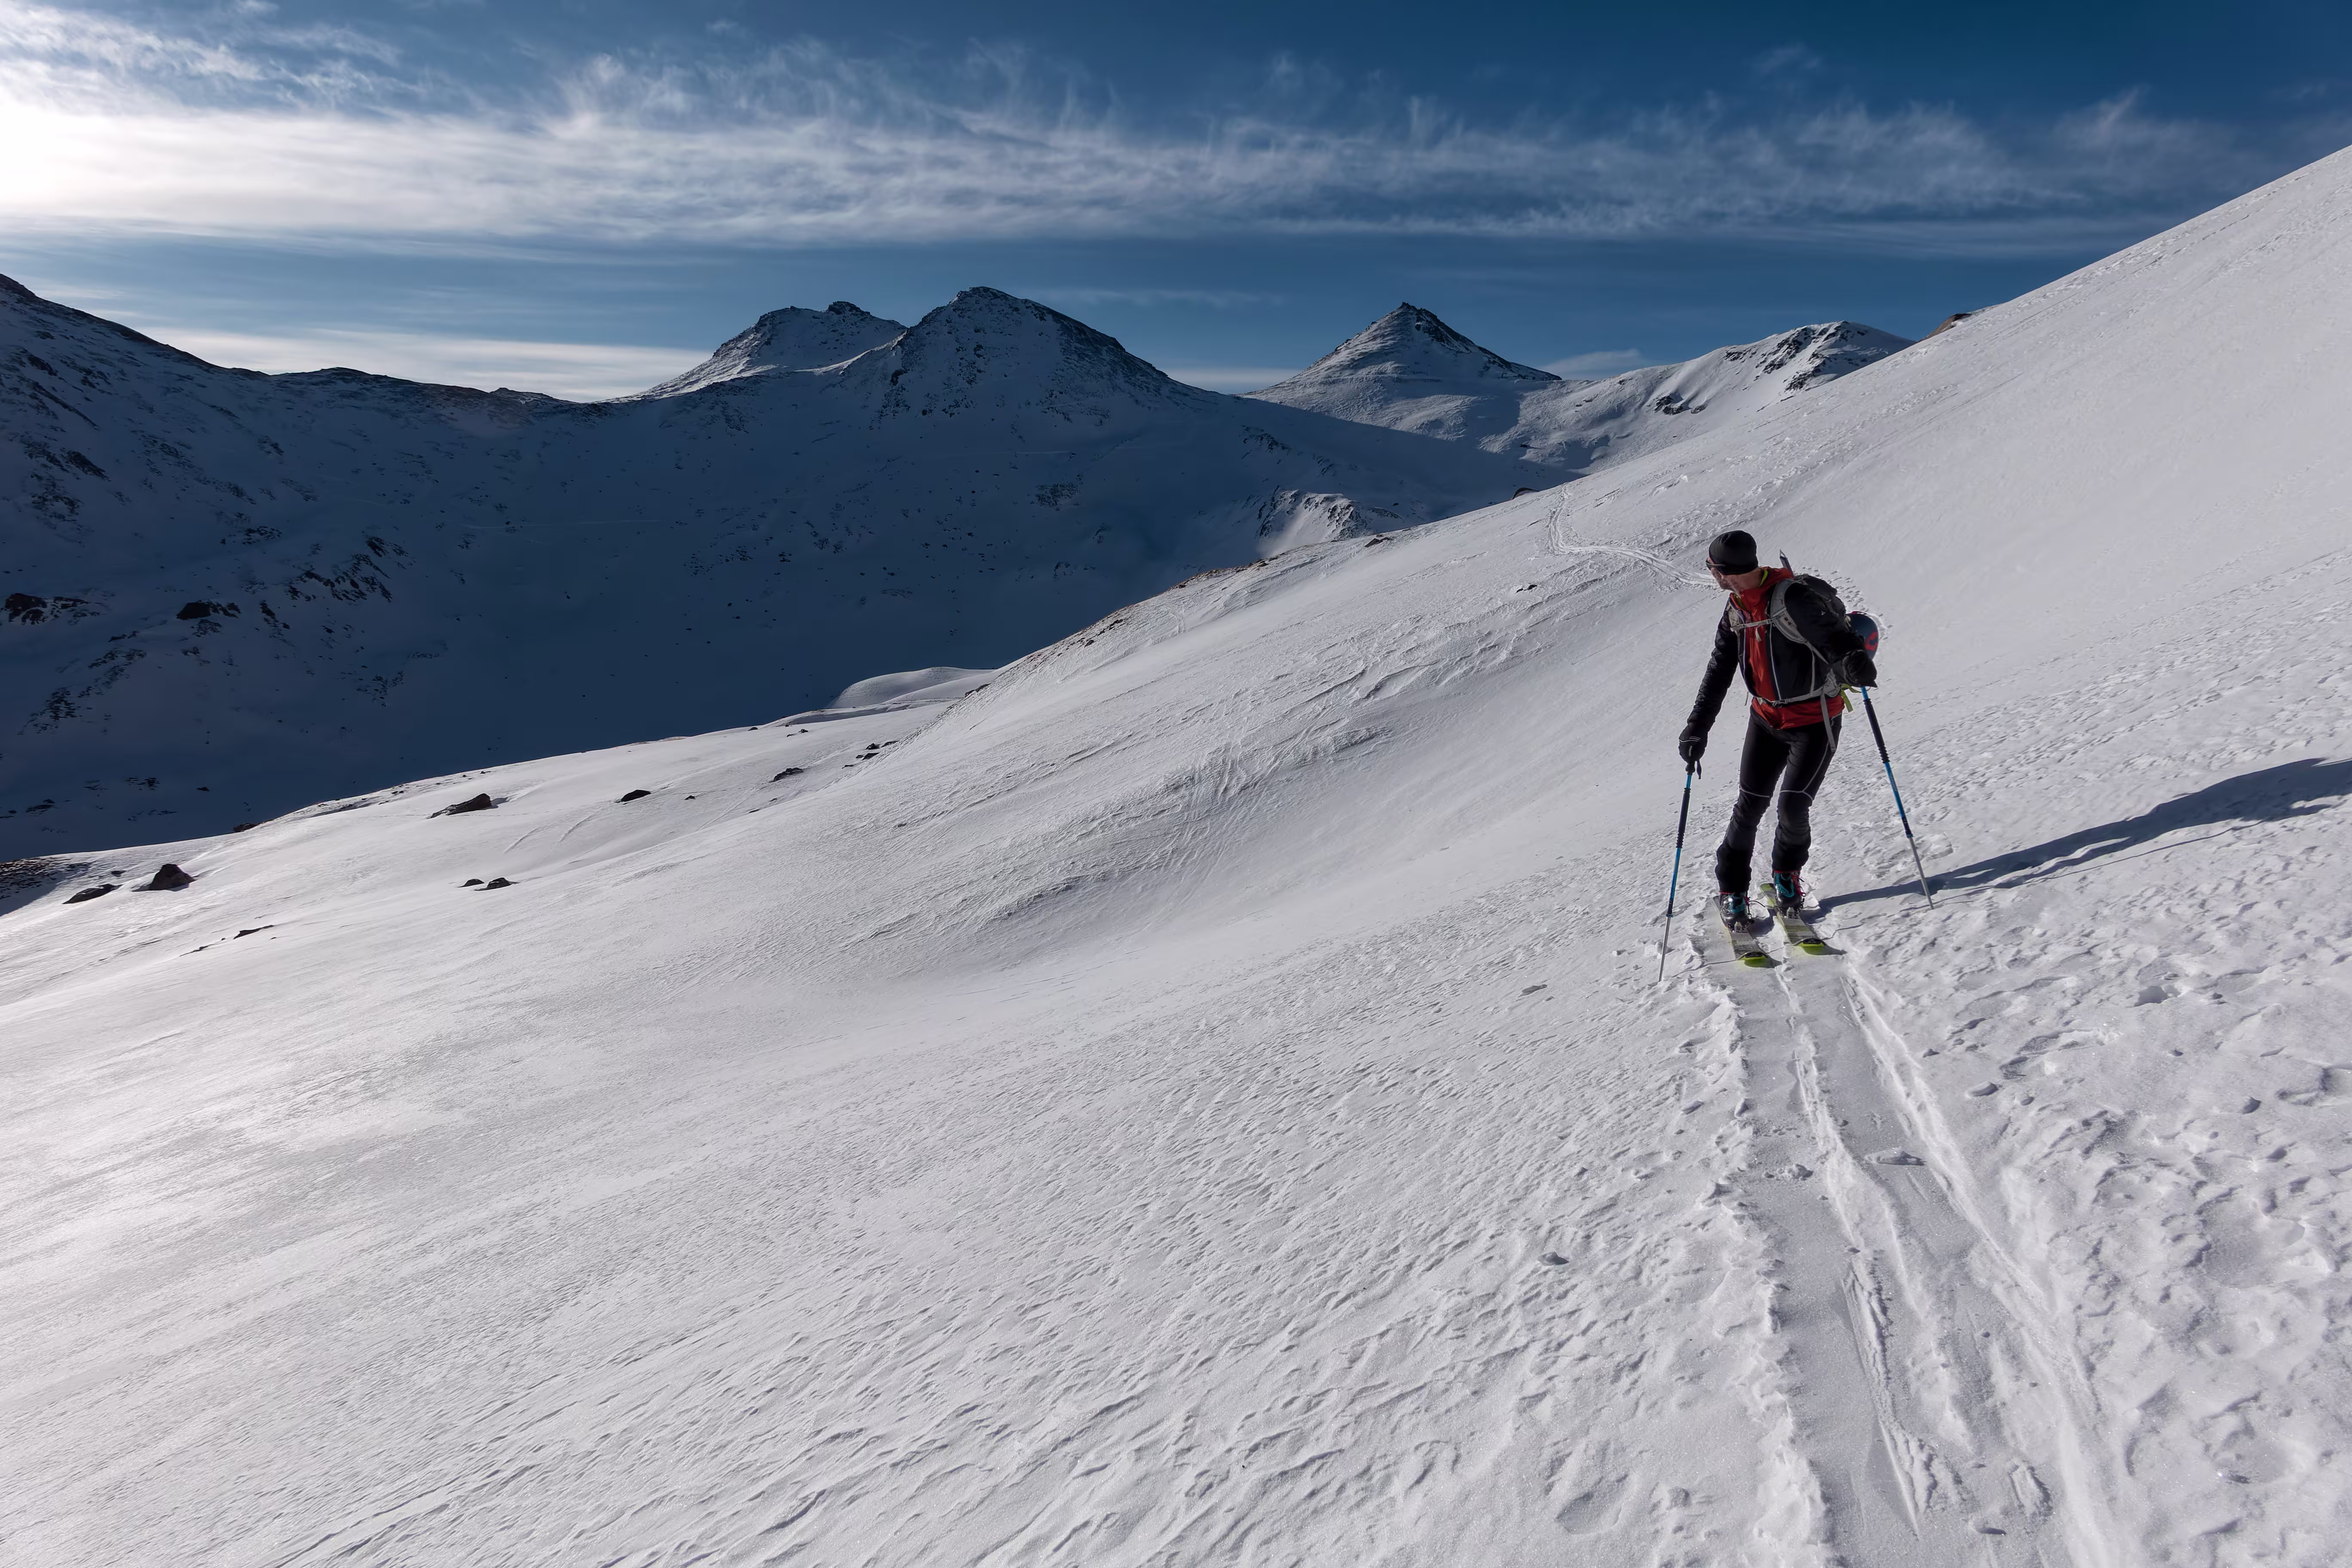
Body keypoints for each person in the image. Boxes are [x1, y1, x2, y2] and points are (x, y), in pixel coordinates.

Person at [1678, 529, 1876, 925]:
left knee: (1793, 806)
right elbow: (1719, 671)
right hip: (1766, 719)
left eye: (1713, 570)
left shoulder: (1794, 598)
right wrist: (1697, 728)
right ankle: (1733, 891)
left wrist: (1854, 662)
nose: (1713, 577)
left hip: (1815, 721)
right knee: (1748, 807)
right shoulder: (1736, 609)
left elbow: (1834, 639)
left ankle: (1787, 877)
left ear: (1726, 572)